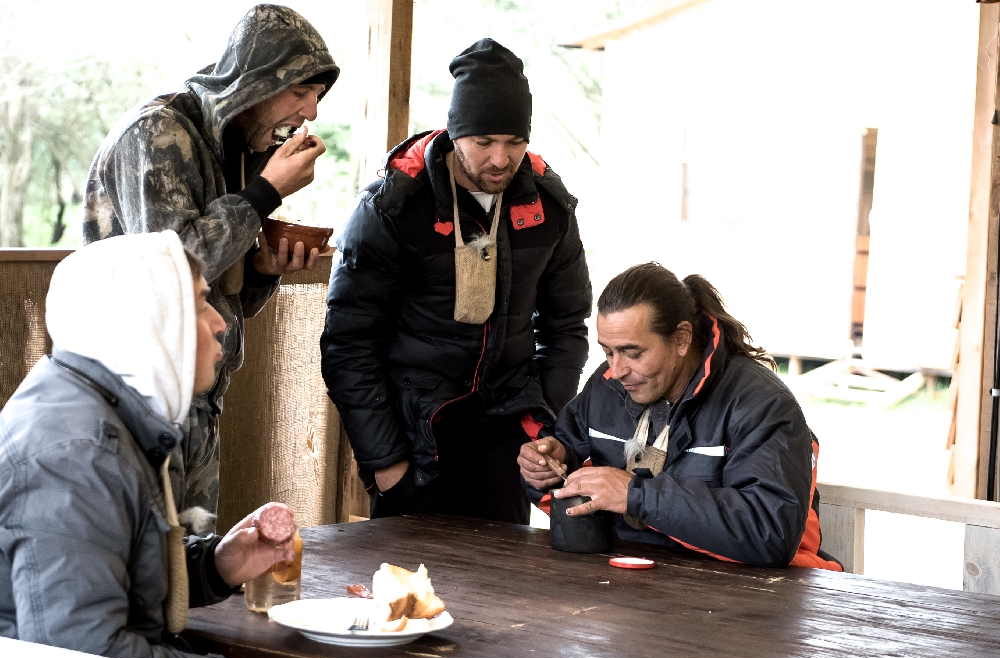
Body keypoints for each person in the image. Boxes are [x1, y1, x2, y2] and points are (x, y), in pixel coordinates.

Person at [82, 5, 340, 534]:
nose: (311, 111)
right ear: (255, 82)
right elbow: (174, 273)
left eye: (317, 95)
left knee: (191, 573)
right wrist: (265, 192)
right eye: (299, 91)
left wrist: (264, 271)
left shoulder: (233, 148)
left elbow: (211, 300)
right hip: (137, 403)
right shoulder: (157, 134)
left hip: (198, 403)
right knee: (149, 579)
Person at [321, 38, 591, 525]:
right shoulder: (393, 206)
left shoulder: (548, 206)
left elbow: (567, 325)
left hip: (507, 440)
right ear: (454, 132)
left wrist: (544, 426)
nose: (499, 159)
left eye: (514, 142)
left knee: (500, 588)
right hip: (416, 440)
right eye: (484, 141)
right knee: (408, 594)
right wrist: (385, 463)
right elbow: (348, 343)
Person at [0, 231, 299, 658]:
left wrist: (218, 564)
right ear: (152, 323)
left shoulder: (103, 412)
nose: (221, 323)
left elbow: (118, 581)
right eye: (199, 305)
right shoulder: (76, 458)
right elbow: (83, 655)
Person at [519, 263, 842, 570]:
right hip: (628, 584)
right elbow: (563, 473)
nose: (616, 370)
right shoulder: (606, 387)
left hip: (749, 597)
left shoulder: (761, 404)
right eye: (607, 351)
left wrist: (636, 495)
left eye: (634, 353)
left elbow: (771, 533)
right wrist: (543, 470)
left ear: (682, 339)